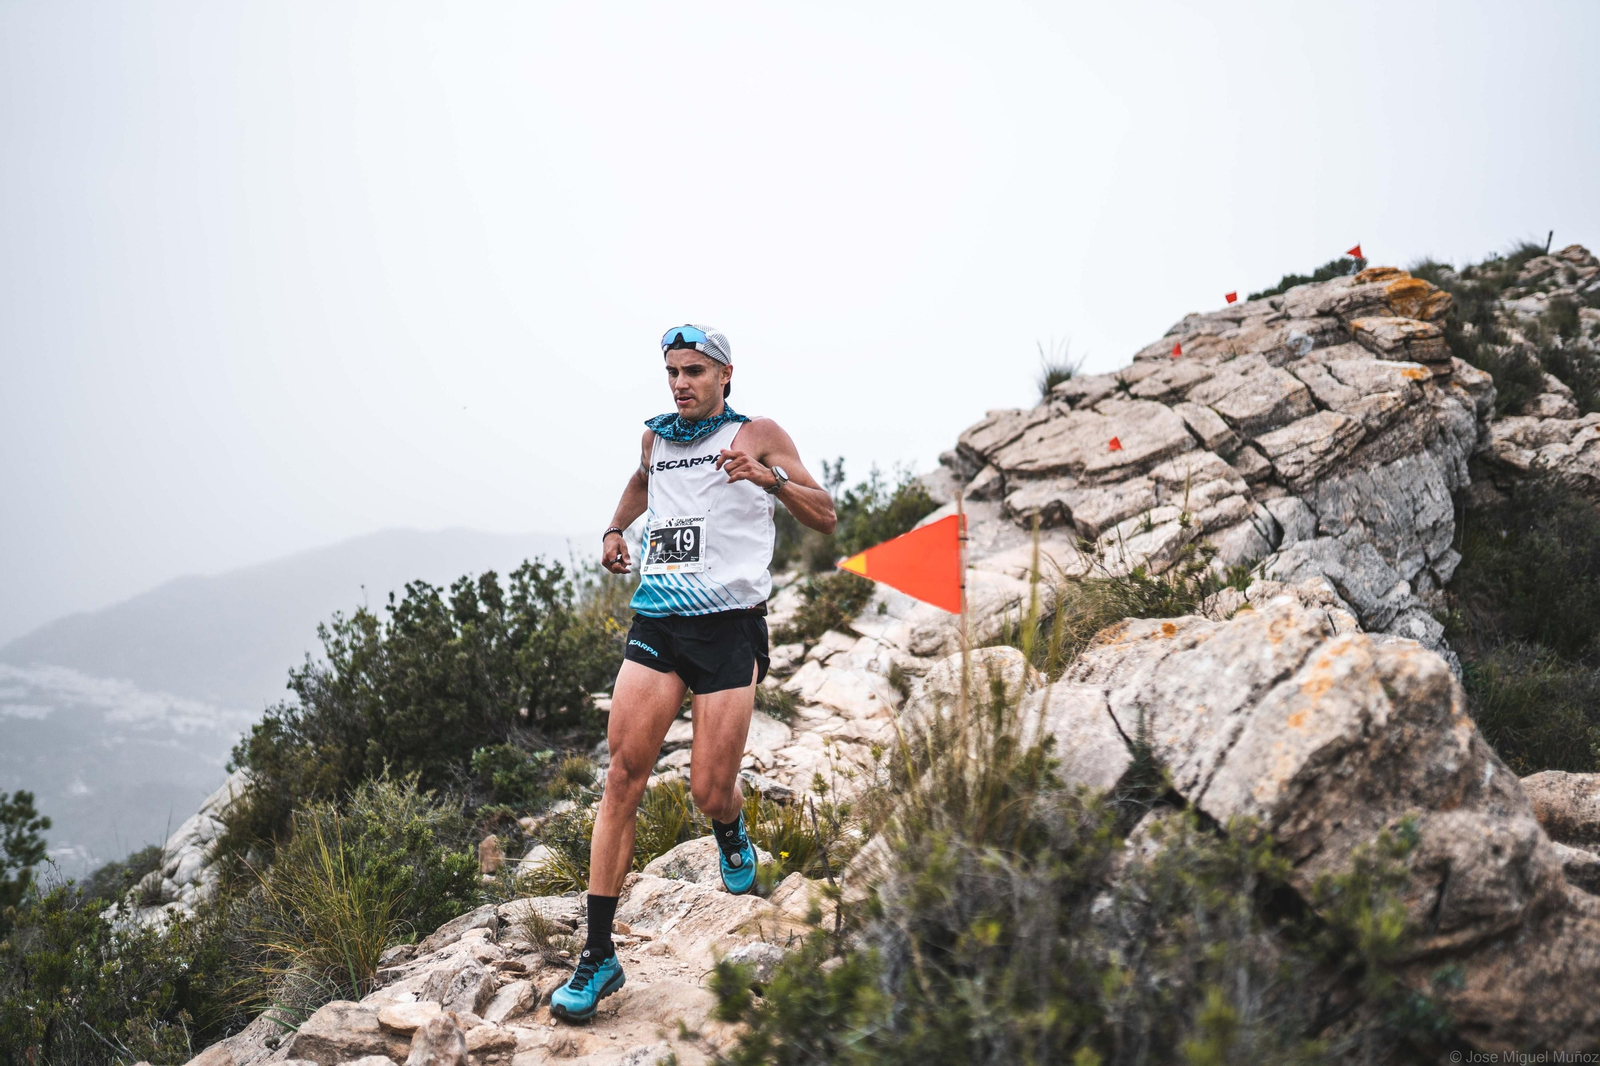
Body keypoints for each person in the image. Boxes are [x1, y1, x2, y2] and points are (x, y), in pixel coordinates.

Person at [548, 324, 838, 1023]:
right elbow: (641, 482)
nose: (680, 383)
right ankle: (598, 954)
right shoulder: (657, 438)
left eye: (694, 372)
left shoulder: (757, 433)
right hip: (658, 621)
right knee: (623, 777)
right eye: (673, 372)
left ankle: (730, 828)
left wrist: (769, 479)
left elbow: (825, 515)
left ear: (725, 375)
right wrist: (615, 530)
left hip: (730, 626)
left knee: (709, 789)